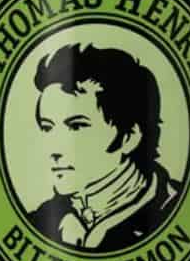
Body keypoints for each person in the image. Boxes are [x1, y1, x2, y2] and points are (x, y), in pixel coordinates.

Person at [27, 43, 180, 250]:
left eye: (76, 126)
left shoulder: (172, 209)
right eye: (47, 127)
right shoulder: (38, 222)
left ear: (129, 137)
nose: (55, 149)